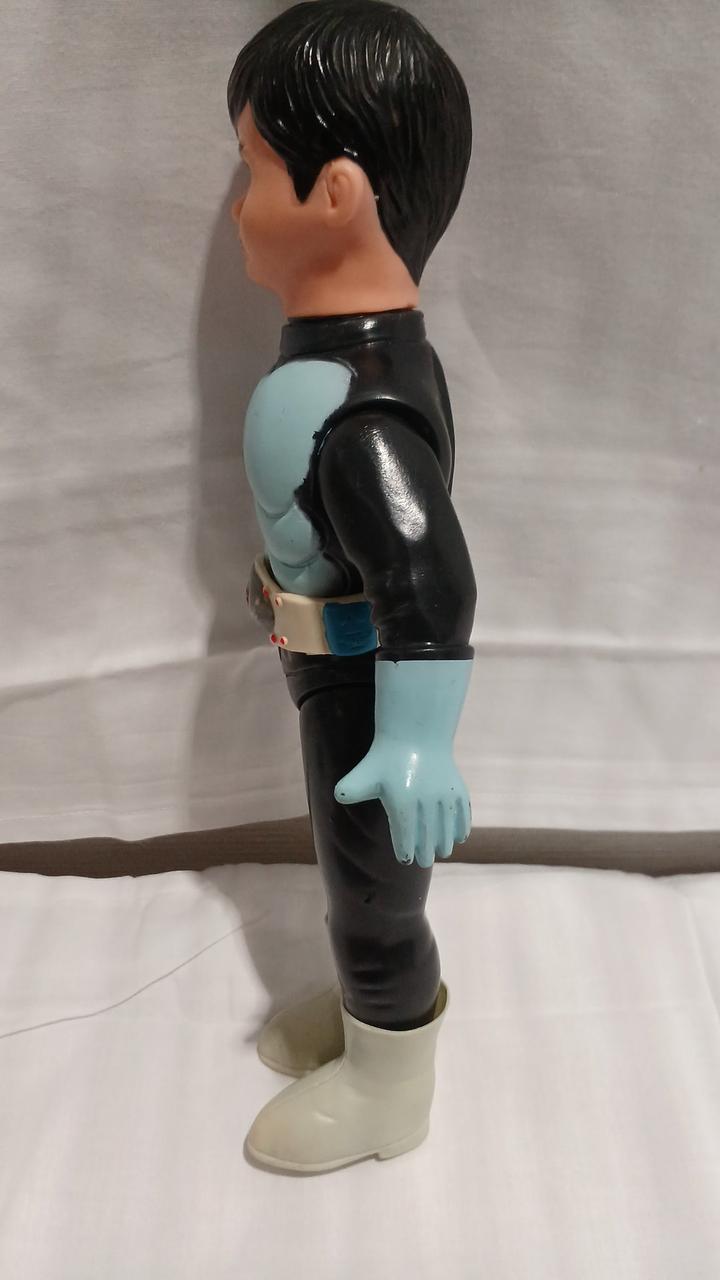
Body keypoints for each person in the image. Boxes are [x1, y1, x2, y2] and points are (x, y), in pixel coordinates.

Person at [226, 0, 476, 1174]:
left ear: (334, 193)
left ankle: (390, 1084)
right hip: (329, 670)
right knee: (351, 876)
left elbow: (432, 577)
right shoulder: (362, 354)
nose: (240, 208)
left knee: (374, 891)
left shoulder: (364, 405)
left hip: (370, 694)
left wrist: (417, 741)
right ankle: (362, 1011)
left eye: (253, 172)